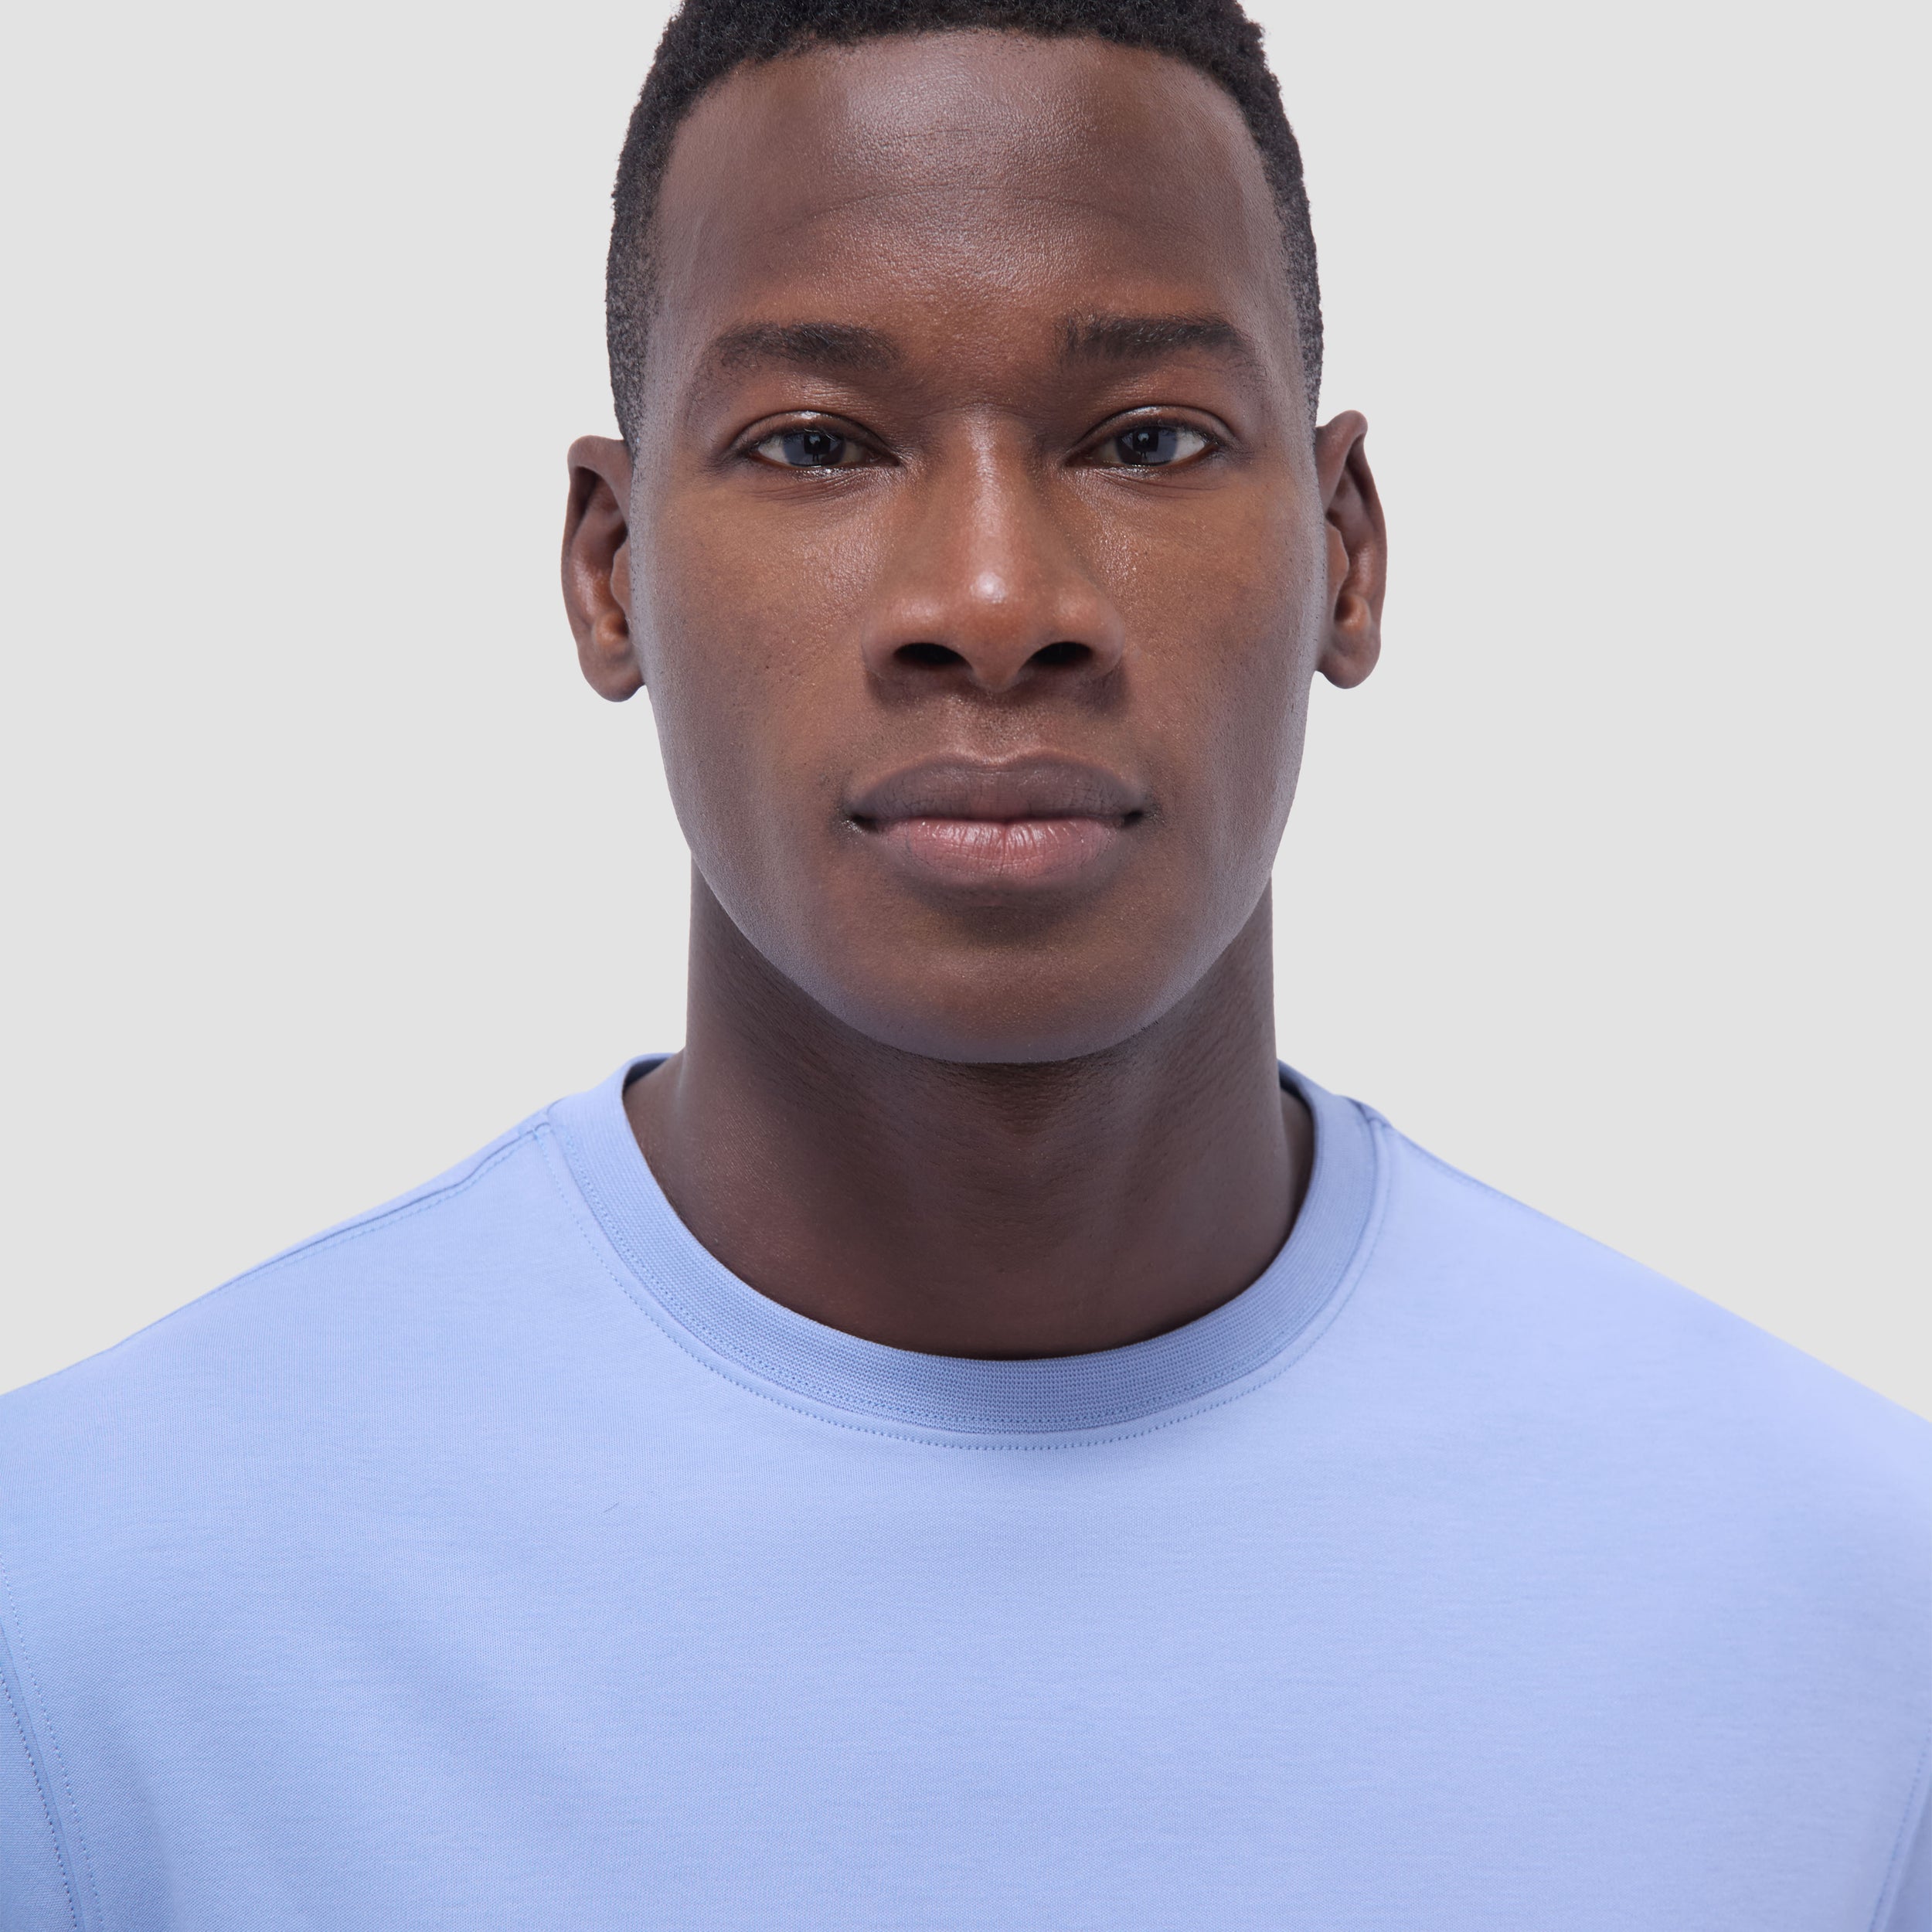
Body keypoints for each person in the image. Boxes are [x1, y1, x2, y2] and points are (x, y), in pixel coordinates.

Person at [2, 0, 1927, 1923]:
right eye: (815, 442)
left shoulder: (1845, 1606)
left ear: (1343, 552)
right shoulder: (90, 1601)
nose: (994, 601)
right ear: (608, 569)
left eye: (1148, 439)